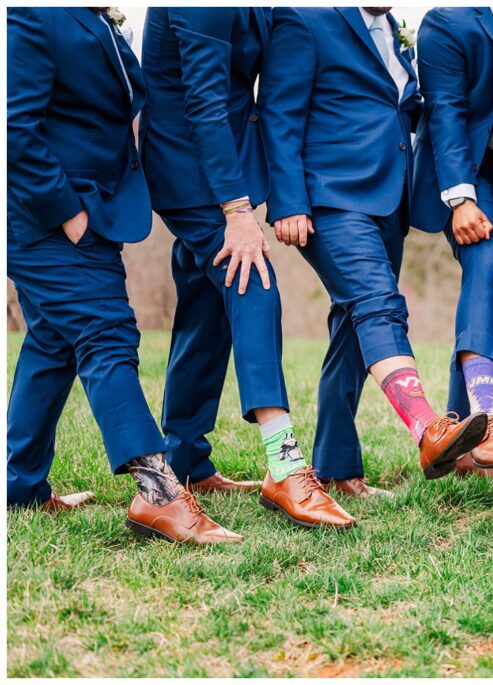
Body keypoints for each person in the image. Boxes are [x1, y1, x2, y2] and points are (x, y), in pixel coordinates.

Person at [7, 7, 239, 543]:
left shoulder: (101, 20)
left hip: (94, 210)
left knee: (52, 343)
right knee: (105, 332)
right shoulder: (32, 13)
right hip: (44, 220)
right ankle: (157, 494)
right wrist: (67, 212)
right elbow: (13, 126)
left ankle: (19, 487)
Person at [259, 6, 490, 507]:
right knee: (379, 303)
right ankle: (427, 428)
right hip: (330, 199)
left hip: (388, 201)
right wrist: (289, 201)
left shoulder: (392, 31)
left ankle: (336, 465)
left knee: (353, 323)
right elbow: (279, 111)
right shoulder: (306, 20)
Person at [141, 8, 355, 530]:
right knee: (253, 283)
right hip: (191, 167)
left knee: (206, 303)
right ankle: (285, 467)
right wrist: (236, 210)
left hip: (225, 166)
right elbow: (204, 101)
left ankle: (186, 457)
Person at [411, 7, 493, 479]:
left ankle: (459, 441)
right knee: (488, 264)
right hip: (469, 177)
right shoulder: (448, 21)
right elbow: (446, 111)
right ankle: (489, 415)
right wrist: (460, 198)